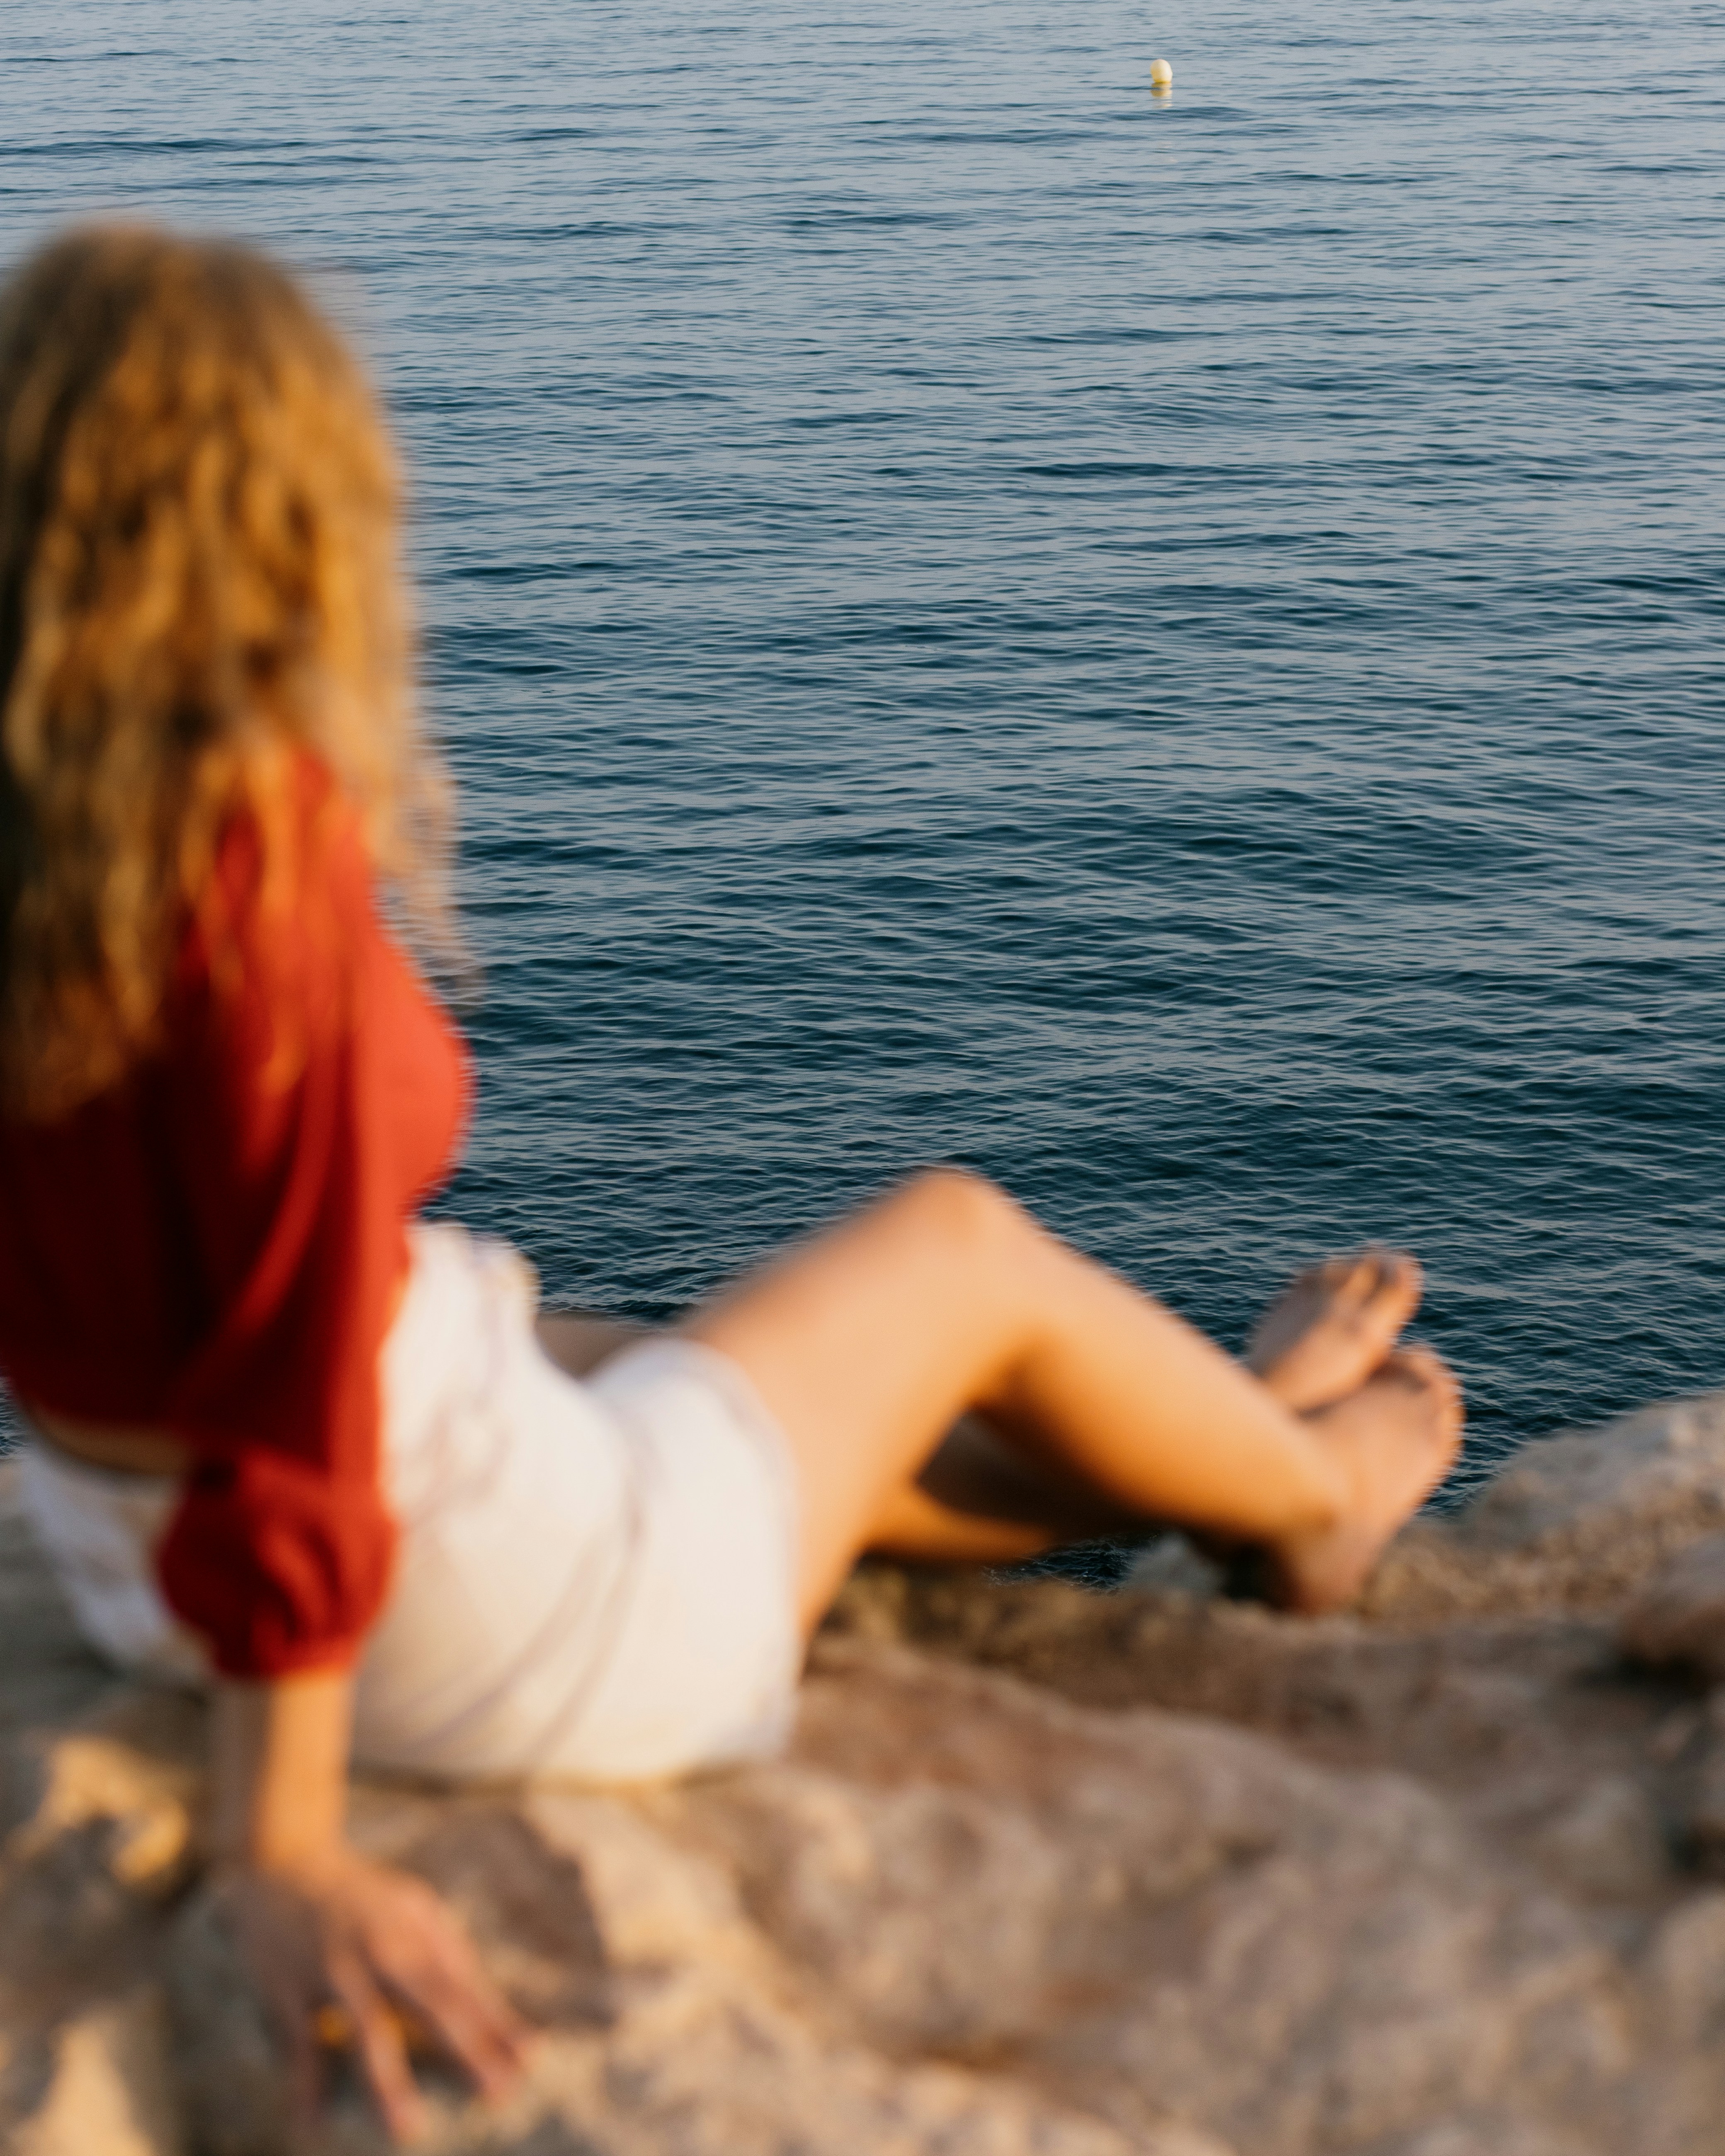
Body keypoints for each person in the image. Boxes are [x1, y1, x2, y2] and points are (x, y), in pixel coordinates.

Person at [0, 226, 1462, 2144]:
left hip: (128, 1544)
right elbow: (295, 1413)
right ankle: (1300, 1486)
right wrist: (282, 1848)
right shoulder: (240, 884)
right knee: (954, 1252)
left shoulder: (40, 847)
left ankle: (1181, 1443)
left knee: (642, 1355)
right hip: (462, 1605)